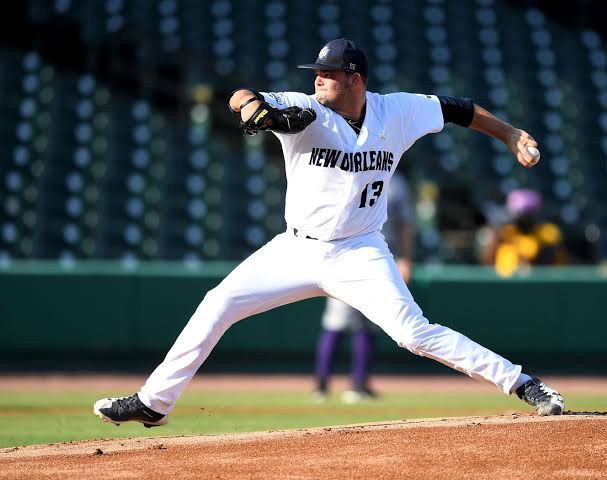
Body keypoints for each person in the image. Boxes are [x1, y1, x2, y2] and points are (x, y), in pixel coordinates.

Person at [94, 38, 564, 428]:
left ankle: (523, 383)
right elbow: (244, 95)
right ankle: (155, 403)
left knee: (414, 334)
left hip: (361, 251)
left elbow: (459, 109)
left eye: (329, 72)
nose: (317, 78)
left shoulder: (397, 111)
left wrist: (508, 134)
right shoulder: (306, 108)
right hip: (296, 249)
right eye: (315, 71)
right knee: (217, 303)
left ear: (356, 79)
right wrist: (254, 108)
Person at [314, 171, 415, 403]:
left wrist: (405, 258)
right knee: (338, 322)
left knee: (364, 324)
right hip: (349, 256)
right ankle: (323, 383)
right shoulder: (350, 171)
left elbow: (405, 224)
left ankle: (356, 384)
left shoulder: (394, 182)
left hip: (373, 258)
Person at [479, 188, 568, 277]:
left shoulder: (547, 233)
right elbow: (487, 260)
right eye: (519, 215)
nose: (524, 219)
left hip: (540, 285)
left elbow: (556, 264)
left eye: (527, 215)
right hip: (505, 284)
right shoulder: (505, 232)